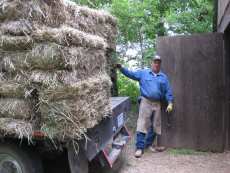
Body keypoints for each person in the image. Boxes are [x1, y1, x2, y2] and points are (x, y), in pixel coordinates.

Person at [116, 55, 174, 158]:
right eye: (155, 62)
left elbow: (168, 91)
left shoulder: (163, 77)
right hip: (145, 102)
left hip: (157, 103)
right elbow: (131, 74)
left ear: (160, 64)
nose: (156, 64)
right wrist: (121, 68)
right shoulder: (143, 73)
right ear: (151, 63)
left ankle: (148, 145)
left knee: (155, 126)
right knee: (142, 124)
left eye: (158, 62)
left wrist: (170, 102)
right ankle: (139, 148)